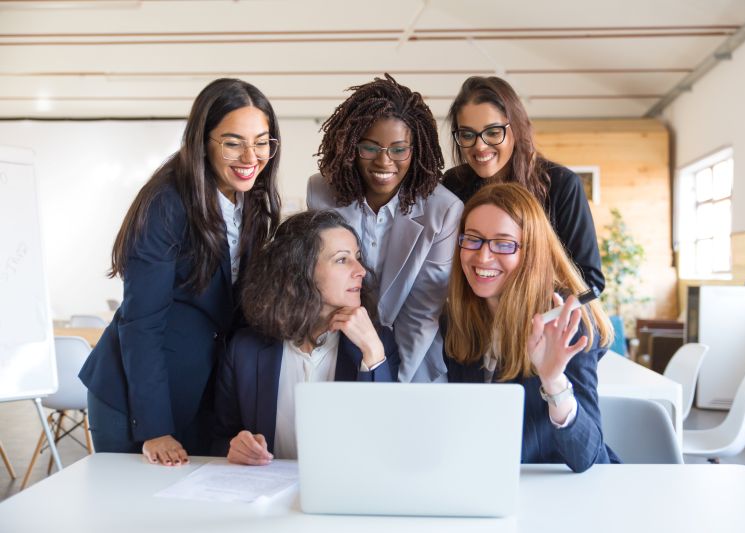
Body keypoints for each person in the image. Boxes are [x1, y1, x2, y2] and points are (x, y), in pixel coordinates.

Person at [79, 78, 282, 466]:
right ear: (203, 142)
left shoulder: (251, 204)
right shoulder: (167, 204)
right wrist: (154, 428)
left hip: (201, 391)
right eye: (233, 141)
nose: (251, 156)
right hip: (136, 400)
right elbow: (142, 323)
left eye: (262, 141)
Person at [444, 183, 618, 473]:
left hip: (554, 491)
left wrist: (553, 381)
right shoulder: (456, 317)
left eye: (503, 244)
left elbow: (588, 458)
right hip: (483, 482)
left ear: (532, 251)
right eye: (472, 239)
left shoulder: (566, 321)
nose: (483, 257)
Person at [307, 74, 462, 383]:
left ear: (415, 150)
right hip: (336, 348)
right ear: (352, 145)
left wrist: (387, 381)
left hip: (413, 365)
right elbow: (318, 284)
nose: (384, 161)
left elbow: (421, 313)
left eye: (398, 149)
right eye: (370, 147)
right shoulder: (321, 192)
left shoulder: (443, 210)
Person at [213, 210, 400, 464]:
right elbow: (220, 437)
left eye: (357, 258)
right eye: (342, 260)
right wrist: (234, 448)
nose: (361, 271)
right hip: (267, 496)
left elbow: (387, 447)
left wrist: (373, 354)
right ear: (298, 271)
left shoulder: (378, 344)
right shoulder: (244, 349)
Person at [443, 76, 605, 295]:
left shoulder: (561, 185)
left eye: (493, 132)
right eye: (467, 134)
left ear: (516, 129)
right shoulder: (453, 186)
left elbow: (589, 280)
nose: (479, 145)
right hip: (473, 322)